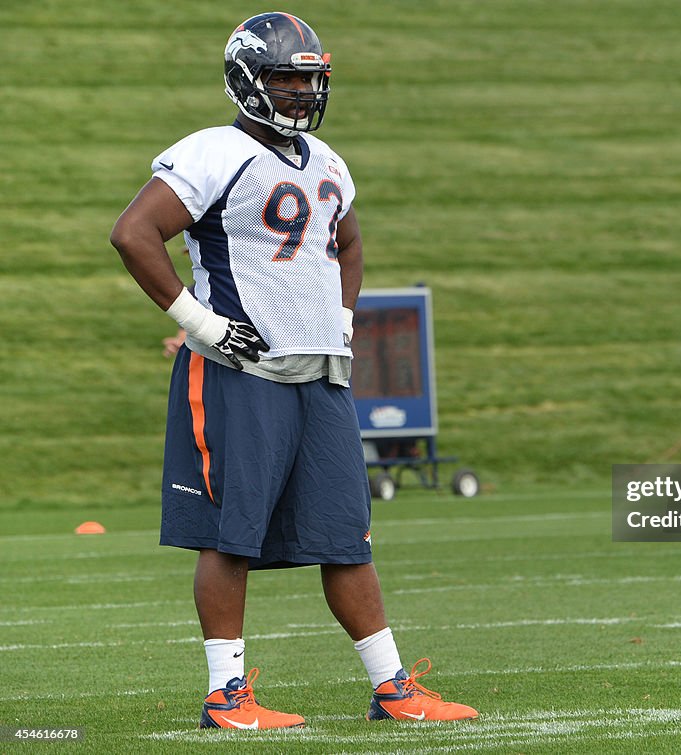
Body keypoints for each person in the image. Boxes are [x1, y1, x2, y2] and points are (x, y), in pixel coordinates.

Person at [110, 12, 477, 729]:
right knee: (231, 535)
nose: (302, 92)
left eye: (310, 79)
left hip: (321, 377)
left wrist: (341, 323)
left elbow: (350, 241)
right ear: (248, 79)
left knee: (346, 534)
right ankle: (227, 694)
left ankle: (392, 686)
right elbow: (133, 231)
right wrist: (200, 324)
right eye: (286, 77)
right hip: (239, 373)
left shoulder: (329, 159)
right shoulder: (214, 151)